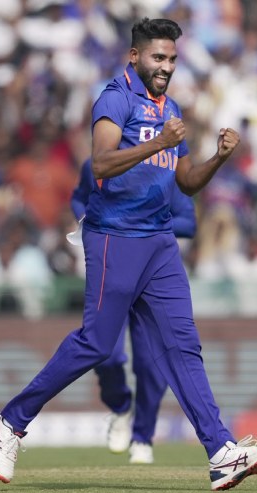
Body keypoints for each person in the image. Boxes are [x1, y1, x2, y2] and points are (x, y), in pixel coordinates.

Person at [0, 18, 257, 491]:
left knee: (183, 344)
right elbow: (100, 164)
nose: (166, 66)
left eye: (172, 58)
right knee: (97, 344)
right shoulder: (115, 98)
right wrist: (159, 142)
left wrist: (219, 158)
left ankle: (221, 452)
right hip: (114, 235)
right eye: (158, 57)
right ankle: (9, 422)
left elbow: (186, 182)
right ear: (135, 56)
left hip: (160, 241)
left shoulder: (171, 107)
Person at [71, 157, 197, 464]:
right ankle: (120, 406)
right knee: (106, 354)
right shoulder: (98, 164)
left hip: (152, 276)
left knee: (151, 363)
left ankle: (143, 436)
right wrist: (90, 220)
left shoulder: (166, 167)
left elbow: (188, 223)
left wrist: (141, 222)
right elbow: (79, 198)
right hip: (111, 268)